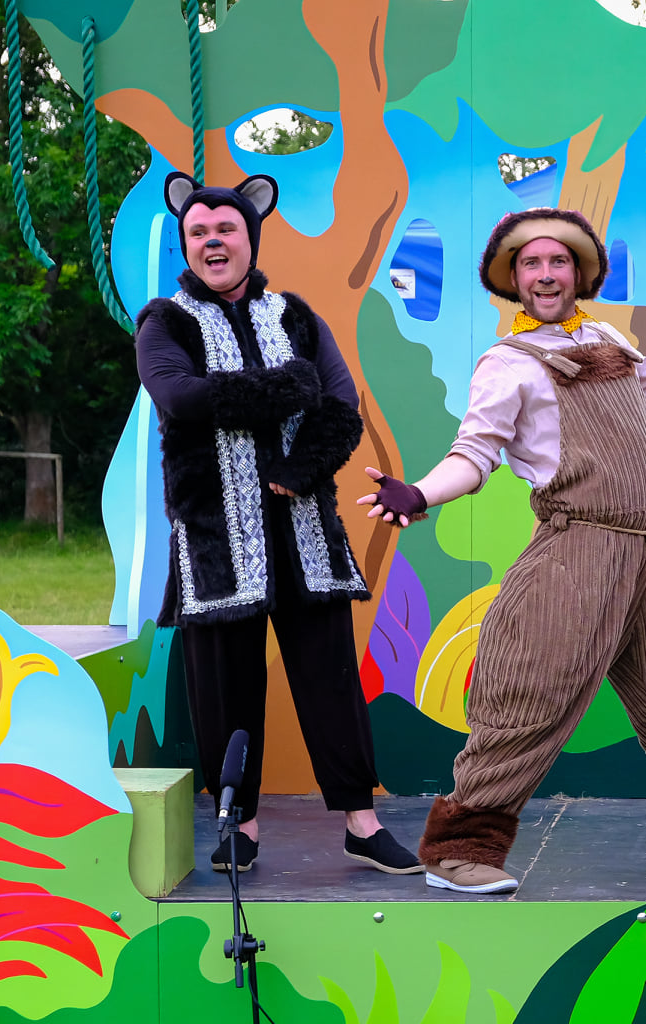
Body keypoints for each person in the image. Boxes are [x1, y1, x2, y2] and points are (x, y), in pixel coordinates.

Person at [360, 207, 646, 895]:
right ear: (512, 278)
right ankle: (459, 848)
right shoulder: (507, 364)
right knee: (530, 696)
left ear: (579, 273)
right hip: (577, 556)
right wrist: (419, 493)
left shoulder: (609, 341)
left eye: (558, 261)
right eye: (530, 264)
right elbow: (473, 455)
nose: (545, 274)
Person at [134, 172, 418, 878]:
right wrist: (290, 386)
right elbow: (181, 397)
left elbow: (341, 405)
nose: (212, 241)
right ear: (185, 244)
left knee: (330, 681)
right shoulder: (164, 322)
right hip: (214, 541)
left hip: (305, 534)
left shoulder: (295, 316)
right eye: (198, 232)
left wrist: (299, 469)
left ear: (250, 236)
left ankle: (361, 823)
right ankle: (239, 825)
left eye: (225, 229)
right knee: (225, 689)